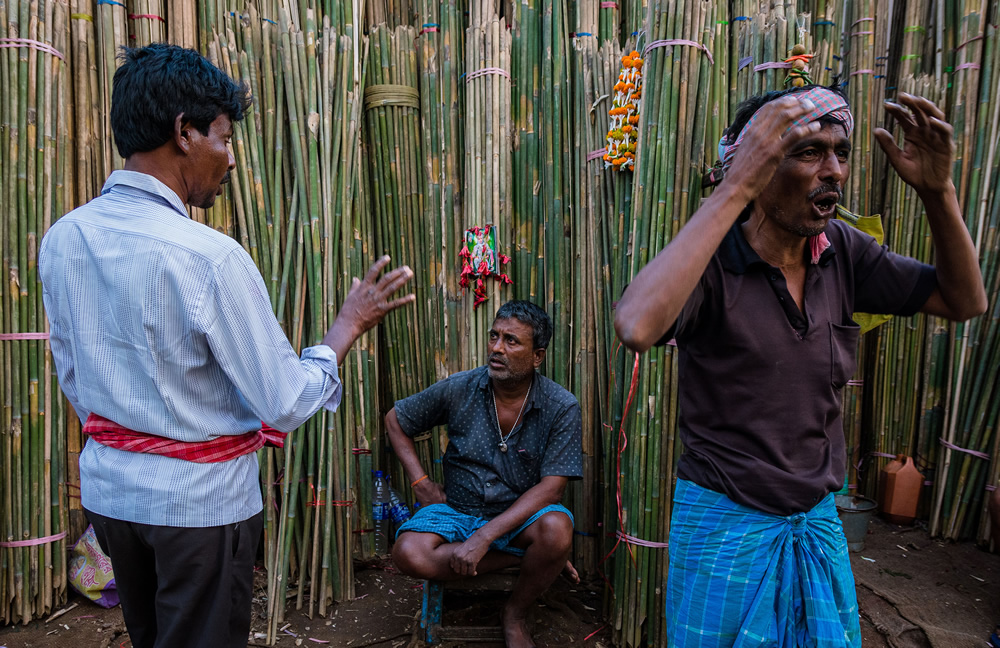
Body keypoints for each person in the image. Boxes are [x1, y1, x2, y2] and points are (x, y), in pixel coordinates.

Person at [38, 44, 415, 648]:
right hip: (198, 511)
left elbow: (75, 379)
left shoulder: (63, 239)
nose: (231, 159)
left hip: (112, 496)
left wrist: (134, 436)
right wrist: (346, 327)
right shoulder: (209, 258)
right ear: (184, 133)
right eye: (224, 137)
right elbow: (285, 401)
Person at [614, 84, 986, 646]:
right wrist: (733, 188)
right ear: (755, 166)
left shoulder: (842, 251)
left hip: (816, 523)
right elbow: (635, 326)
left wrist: (938, 191)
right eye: (808, 152)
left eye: (840, 151)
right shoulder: (709, 264)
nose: (833, 169)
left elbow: (966, 301)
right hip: (725, 528)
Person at [386, 300, 582, 648]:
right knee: (408, 552)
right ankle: (535, 562)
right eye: (494, 336)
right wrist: (421, 483)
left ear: (537, 356)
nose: (496, 348)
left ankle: (515, 613)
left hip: (519, 519)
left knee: (555, 530)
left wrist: (483, 538)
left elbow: (552, 489)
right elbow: (396, 420)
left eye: (511, 341)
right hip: (457, 512)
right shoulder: (460, 388)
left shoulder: (560, 405)